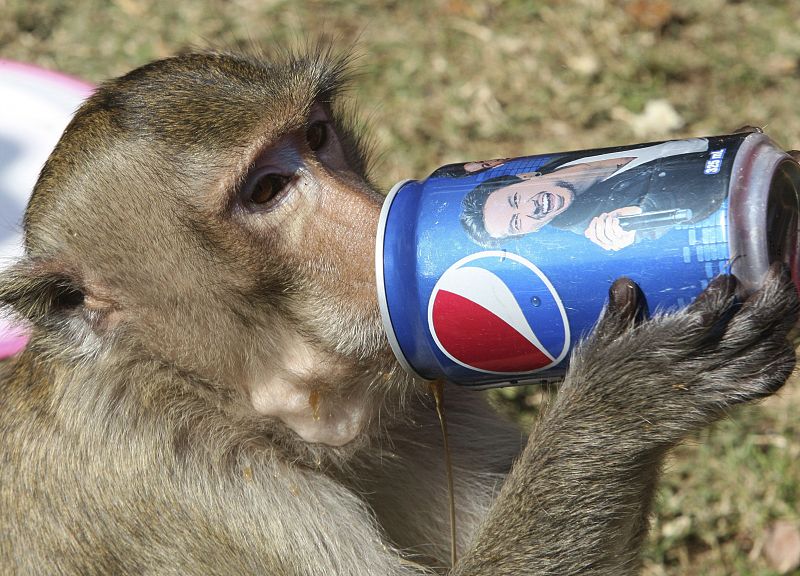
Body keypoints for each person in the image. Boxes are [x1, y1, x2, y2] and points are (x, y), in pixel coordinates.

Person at [460, 137, 726, 250]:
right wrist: (644, 216)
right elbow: (701, 205)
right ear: (527, 233)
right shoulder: (601, 226)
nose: (530, 209)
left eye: (515, 200)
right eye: (517, 223)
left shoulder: (563, 159)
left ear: (524, 177)